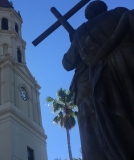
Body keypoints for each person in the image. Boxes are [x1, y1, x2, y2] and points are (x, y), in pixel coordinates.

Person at [62, 1, 134, 159]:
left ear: (87, 15)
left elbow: (67, 62)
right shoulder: (120, 12)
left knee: (115, 120)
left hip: (106, 74)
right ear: (104, 8)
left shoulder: (82, 32)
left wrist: (75, 40)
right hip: (129, 59)